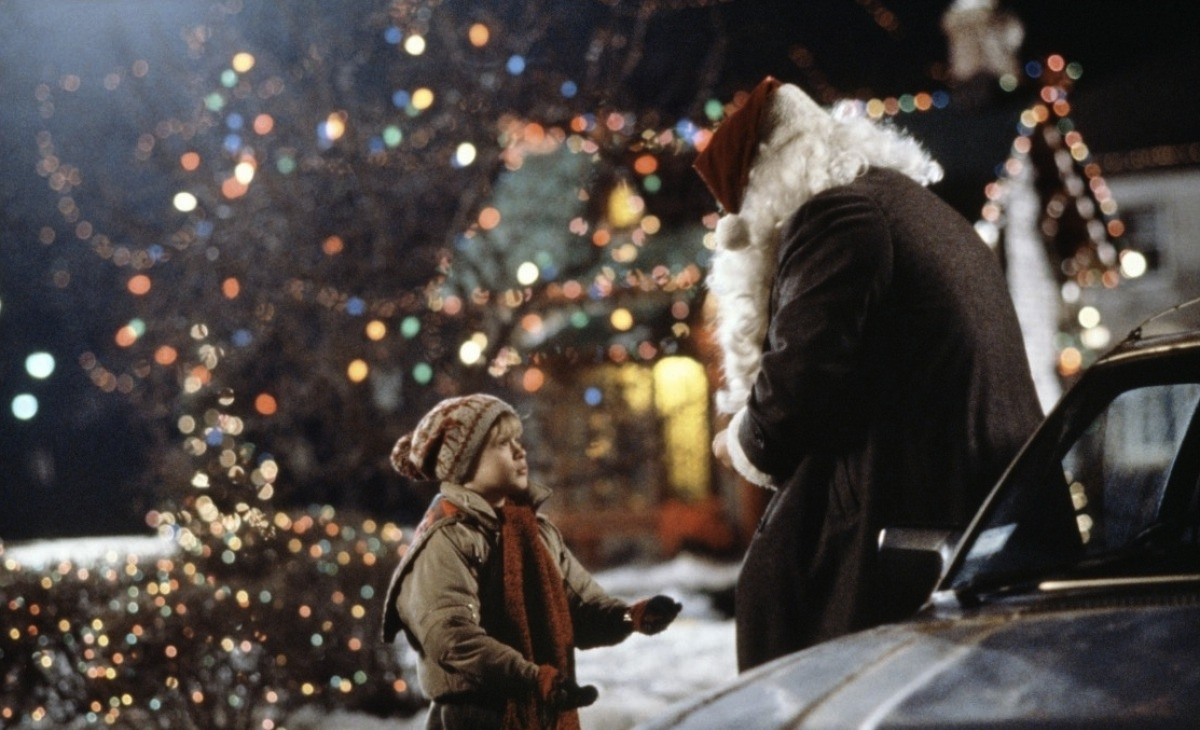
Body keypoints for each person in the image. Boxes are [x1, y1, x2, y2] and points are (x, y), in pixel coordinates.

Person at [693, 77, 1043, 671]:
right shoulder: (908, 207)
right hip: (974, 523)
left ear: (766, 184)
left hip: (904, 550)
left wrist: (740, 441)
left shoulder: (837, 216)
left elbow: (795, 394)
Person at [380, 393, 682, 730]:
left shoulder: (534, 533)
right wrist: (534, 678)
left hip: (540, 709)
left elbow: (581, 609)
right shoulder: (447, 540)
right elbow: (452, 638)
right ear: (463, 462)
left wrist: (631, 617)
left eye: (518, 440)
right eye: (501, 443)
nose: (519, 451)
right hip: (476, 719)